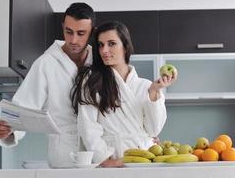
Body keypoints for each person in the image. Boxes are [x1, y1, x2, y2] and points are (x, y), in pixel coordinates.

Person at [0, 2, 95, 168]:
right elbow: (23, 108)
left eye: (81, 33)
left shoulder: (100, 63)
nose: (73, 40)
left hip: (98, 157)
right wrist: (7, 131)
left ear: (92, 32)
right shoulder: (45, 64)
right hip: (63, 158)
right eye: (68, 32)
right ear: (63, 27)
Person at [71, 21, 178, 167]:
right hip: (113, 160)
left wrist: (154, 91)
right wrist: (104, 159)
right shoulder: (92, 81)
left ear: (125, 46)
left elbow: (154, 130)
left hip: (144, 160)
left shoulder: (146, 86)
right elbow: (87, 125)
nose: (104, 50)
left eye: (111, 44)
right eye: (101, 45)